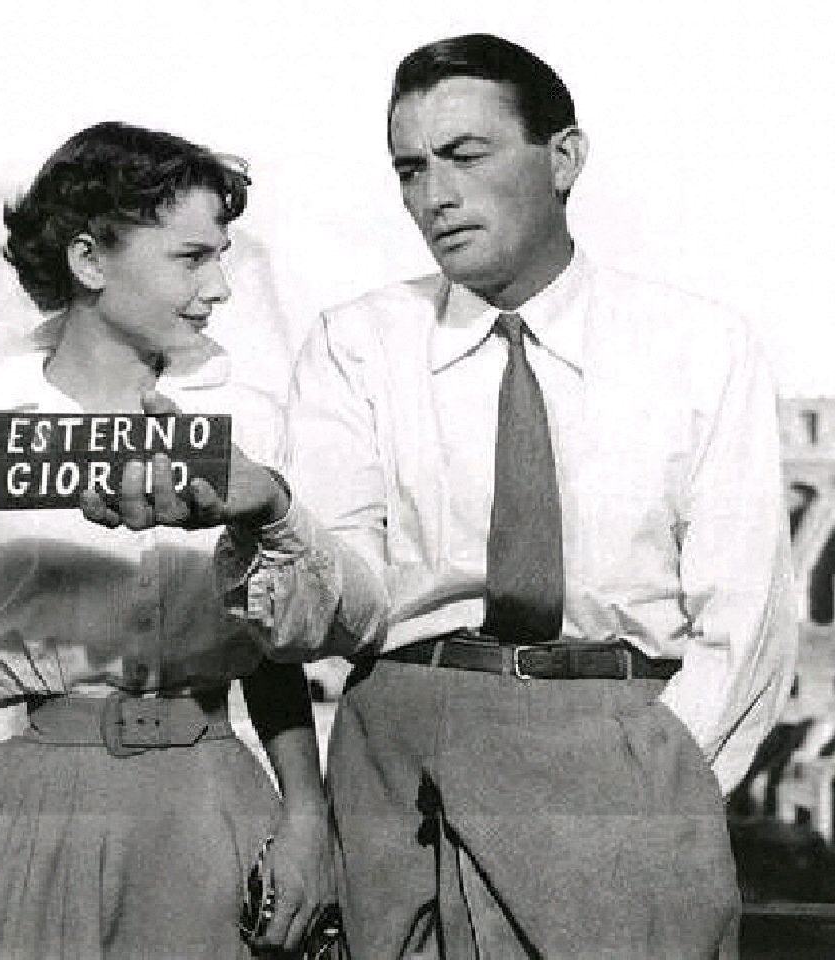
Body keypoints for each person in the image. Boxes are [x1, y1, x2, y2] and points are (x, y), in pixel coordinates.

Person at [86, 34, 798, 959]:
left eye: (466, 155)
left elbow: (745, 620)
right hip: (401, 776)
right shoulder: (358, 345)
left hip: (623, 773)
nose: (435, 195)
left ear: (564, 157)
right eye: (410, 169)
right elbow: (335, 615)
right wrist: (271, 513)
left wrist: (656, 783)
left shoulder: (700, 348)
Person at [0, 121, 331, 960]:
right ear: (89, 261)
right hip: (33, 823)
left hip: (211, 810)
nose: (220, 287)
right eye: (191, 258)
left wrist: (307, 817)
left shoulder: (247, 431)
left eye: (222, 256)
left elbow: (275, 653)